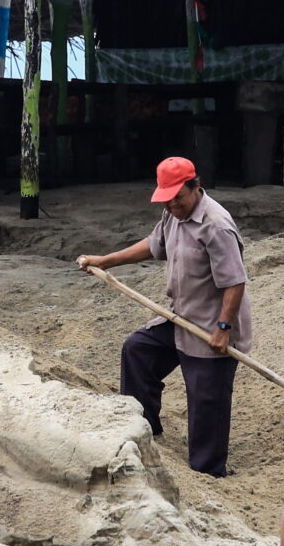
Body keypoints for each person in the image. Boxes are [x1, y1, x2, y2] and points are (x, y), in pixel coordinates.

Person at [75, 157, 251, 477]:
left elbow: (235, 282)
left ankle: (208, 471)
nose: (172, 206)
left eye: (178, 198)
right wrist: (107, 260)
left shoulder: (216, 225)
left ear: (196, 187)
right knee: (138, 350)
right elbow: (154, 245)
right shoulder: (172, 214)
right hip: (181, 318)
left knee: (206, 400)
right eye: (166, 200)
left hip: (211, 327)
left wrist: (223, 327)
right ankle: (145, 427)